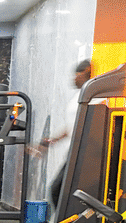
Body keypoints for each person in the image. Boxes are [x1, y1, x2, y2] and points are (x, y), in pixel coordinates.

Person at [36, 59, 92, 210]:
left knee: (57, 190)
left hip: (84, 153)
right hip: (73, 152)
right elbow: (71, 128)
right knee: (60, 192)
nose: (74, 78)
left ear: (86, 72)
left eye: (77, 73)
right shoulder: (78, 97)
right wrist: (49, 141)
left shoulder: (93, 96)